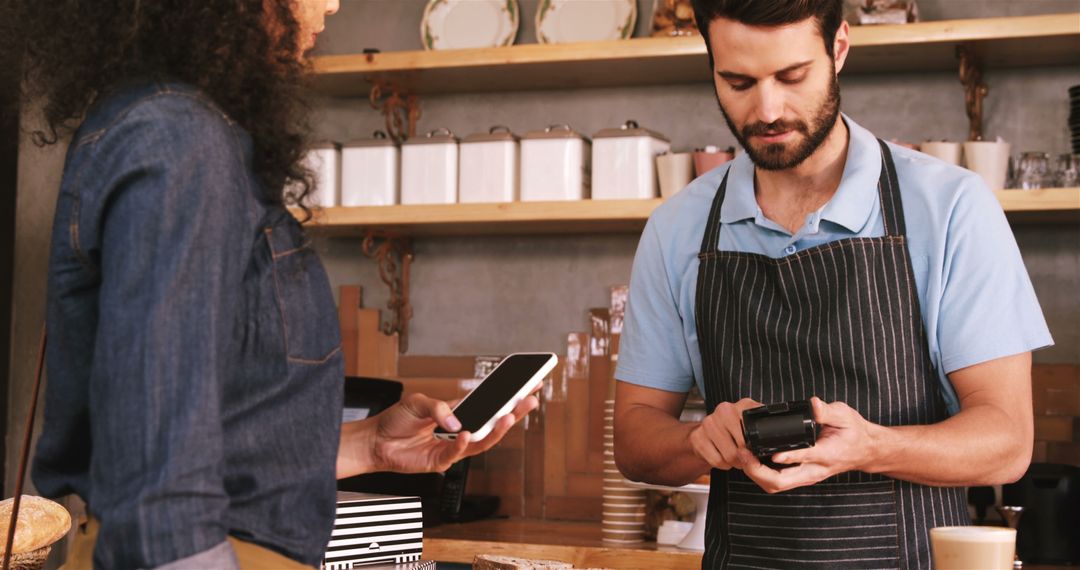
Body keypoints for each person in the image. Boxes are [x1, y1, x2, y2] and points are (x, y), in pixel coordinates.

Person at [2, 1, 538, 568]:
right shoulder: (180, 139)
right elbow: (156, 473)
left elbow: (202, 436)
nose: (332, 2)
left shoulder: (158, 126)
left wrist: (372, 444)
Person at [612, 1, 1052, 568]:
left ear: (838, 49)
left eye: (791, 76)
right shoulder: (678, 228)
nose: (766, 109)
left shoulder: (949, 208)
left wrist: (872, 446)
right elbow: (634, 440)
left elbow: (1008, 442)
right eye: (738, 81)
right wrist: (699, 441)